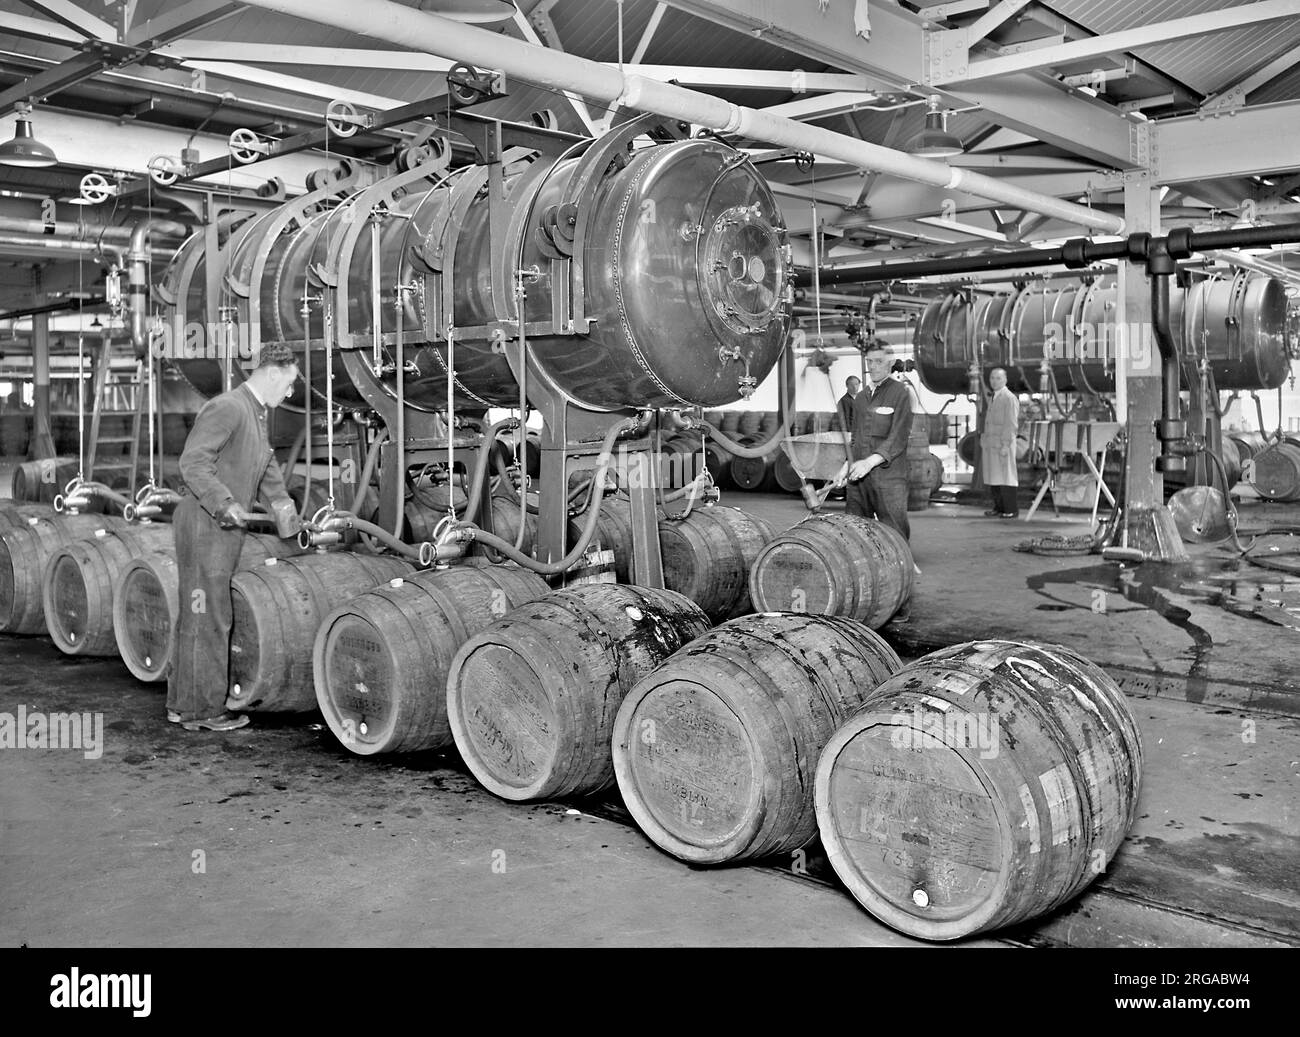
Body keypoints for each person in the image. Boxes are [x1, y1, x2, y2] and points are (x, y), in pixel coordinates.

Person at [167, 343, 303, 732]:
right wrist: (224, 502)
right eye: (290, 384)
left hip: (221, 526)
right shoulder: (228, 406)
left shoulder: (256, 413)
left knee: (197, 614)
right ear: (273, 373)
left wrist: (286, 513)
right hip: (205, 524)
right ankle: (204, 711)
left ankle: (182, 704)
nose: (290, 393)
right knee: (209, 616)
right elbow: (192, 463)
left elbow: (266, 468)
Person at [836, 341, 913, 541]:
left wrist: (869, 462)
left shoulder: (901, 393)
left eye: (879, 361)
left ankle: (900, 565)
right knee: (854, 530)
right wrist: (846, 465)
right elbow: (856, 437)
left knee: (894, 530)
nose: (873, 366)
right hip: (859, 477)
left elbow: (898, 436)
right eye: (869, 361)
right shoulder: (860, 398)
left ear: (891, 362)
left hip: (888, 478)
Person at [981, 367, 1020, 518]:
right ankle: (999, 507)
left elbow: (1011, 424)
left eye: (998, 378)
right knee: (994, 477)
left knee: (1006, 477)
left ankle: (1011, 509)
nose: (994, 381)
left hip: (1003, 445)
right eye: (992, 378)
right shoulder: (994, 397)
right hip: (991, 444)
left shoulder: (1008, 398)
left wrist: (1005, 445)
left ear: (1005, 380)